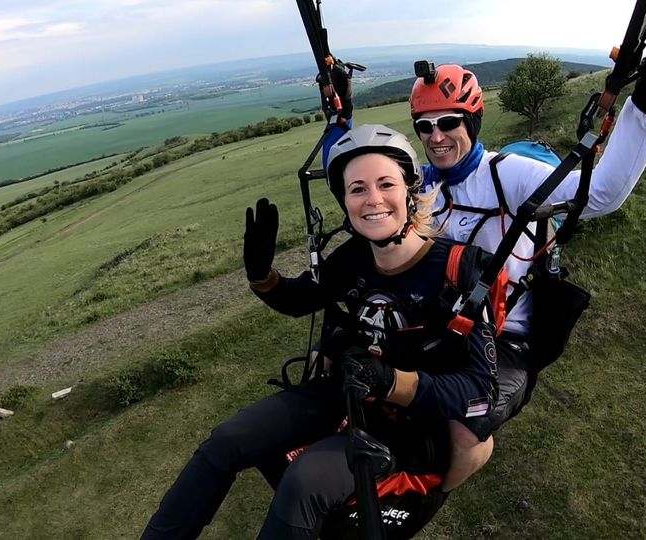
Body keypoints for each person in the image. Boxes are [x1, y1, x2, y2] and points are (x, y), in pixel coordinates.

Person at [323, 41, 646, 487]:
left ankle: (436, 492)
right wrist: (339, 117)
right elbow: (352, 171)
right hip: (438, 326)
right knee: (350, 369)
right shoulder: (420, 183)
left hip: (503, 336)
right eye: (425, 126)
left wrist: (644, 108)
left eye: (448, 122)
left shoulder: (510, 174)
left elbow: (600, 193)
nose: (436, 137)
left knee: (464, 434)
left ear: (472, 121)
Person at [142, 124, 501, 539]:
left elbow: (480, 392)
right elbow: (299, 300)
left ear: (409, 190)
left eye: (386, 183)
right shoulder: (353, 258)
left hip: (412, 426)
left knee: (303, 483)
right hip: (344, 393)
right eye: (357, 189)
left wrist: (393, 382)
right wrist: (262, 276)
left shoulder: (462, 270)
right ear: (344, 201)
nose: (373, 200)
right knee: (226, 440)